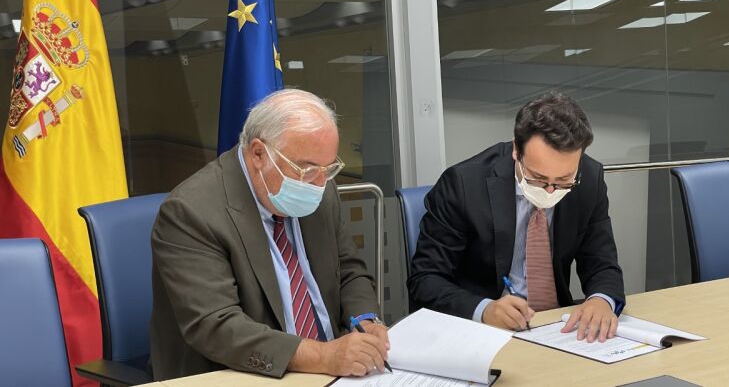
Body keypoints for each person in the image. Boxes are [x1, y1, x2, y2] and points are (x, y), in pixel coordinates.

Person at [150, 89, 389, 380]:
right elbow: (218, 326)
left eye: (328, 169)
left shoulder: (321, 189)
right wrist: (324, 356)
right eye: (306, 169)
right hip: (245, 373)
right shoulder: (191, 212)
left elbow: (349, 270)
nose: (319, 183)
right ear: (259, 154)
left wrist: (365, 320)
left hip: (336, 372)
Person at [408, 92, 625, 343]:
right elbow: (425, 280)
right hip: (481, 333)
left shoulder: (589, 178)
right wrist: (484, 309)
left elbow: (602, 262)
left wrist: (601, 300)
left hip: (556, 328)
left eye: (563, 180)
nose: (550, 190)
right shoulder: (463, 185)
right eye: (538, 178)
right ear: (516, 151)